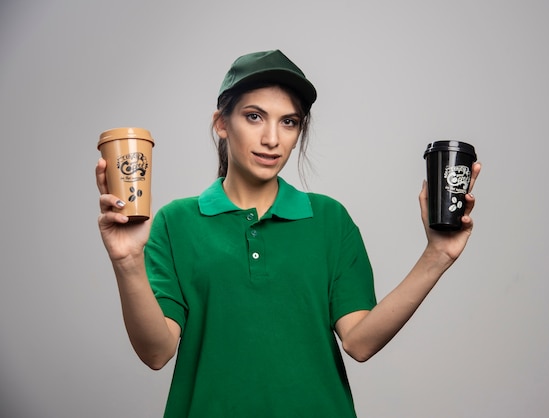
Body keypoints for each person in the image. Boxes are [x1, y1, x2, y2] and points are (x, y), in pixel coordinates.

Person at [96, 49, 481, 417]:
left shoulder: (330, 219)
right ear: (221, 123)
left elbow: (360, 342)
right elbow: (156, 352)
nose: (272, 139)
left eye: (289, 121)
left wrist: (438, 256)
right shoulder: (175, 221)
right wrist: (127, 261)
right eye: (254, 117)